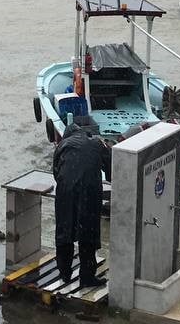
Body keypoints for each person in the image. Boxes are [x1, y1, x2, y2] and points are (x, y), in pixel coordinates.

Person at [52, 115, 112, 287]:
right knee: (88, 233)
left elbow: (56, 172)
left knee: (65, 230)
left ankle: (64, 273)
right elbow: (111, 168)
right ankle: (87, 277)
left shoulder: (62, 145)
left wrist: (68, 186)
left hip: (65, 191)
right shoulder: (96, 143)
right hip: (89, 191)